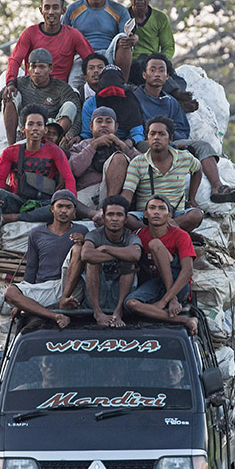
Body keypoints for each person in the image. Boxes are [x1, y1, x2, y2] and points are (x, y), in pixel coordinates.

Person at [135, 56, 235, 203]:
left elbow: (182, 129)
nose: (157, 74)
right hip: (147, 142)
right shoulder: (135, 98)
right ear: (144, 74)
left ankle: (218, 187)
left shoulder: (171, 102)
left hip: (171, 142)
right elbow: (134, 127)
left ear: (167, 76)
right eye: (152, 70)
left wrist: (173, 142)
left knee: (203, 146)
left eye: (161, 71)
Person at [0, 105, 76, 266]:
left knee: (59, 209)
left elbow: (68, 178)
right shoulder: (11, 152)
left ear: (44, 130)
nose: (35, 128)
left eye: (39, 125)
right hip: (19, 200)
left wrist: (72, 202)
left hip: (44, 203)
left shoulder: (55, 151)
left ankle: (13, 218)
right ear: (23, 129)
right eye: (31, 124)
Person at [4, 190, 88, 330]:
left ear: (74, 211)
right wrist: (22, 301)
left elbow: (91, 255)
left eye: (68, 207)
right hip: (46, 287)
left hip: (70, 286)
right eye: (60, 206)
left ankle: (64, 300)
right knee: (10, 292)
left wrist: (85, 241)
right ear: (51, 209)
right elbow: (31, 268)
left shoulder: (82, 230)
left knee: (79, 249)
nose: (64, 211)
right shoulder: (37, 233)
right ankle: (55, 316)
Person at [124, 195, 198, 334]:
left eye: (161, 208)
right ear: (145, 214)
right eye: (152, 208)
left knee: (155, 244)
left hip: (178, 285)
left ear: (169, 215)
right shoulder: (138, 234)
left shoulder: (181, 235)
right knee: (131, 303)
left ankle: (170, 299)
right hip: (156, 283)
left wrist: (166, 300)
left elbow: (187, 271)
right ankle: (184, 320)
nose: (156, 212)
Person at [0, 48, 81, 146]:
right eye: (33, 67)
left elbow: (77, 110)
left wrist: (71, 133)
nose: (36, 71)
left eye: (41, 67)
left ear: (50, 68)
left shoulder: (62, 87)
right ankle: (12, 146)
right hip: (26, 129)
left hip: (50, 130)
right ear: (28, 67)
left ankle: (54, 146)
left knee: (70, 106)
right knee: (10, 94)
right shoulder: (21, 82)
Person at [121, 117, 204, 234]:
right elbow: (127, 192)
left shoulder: (185, 158)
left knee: (196, 215)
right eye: (152, 134)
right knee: (126, 218)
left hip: (175, 215)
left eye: (161, 134)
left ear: (170, 139)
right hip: (147, 216)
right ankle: (173, 232)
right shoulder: (138, 162)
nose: (156, 137)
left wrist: (192, 198)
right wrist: (118, 209)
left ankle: (158, 232)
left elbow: (198, 170)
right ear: (147, 138)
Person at [126, 0, 197, 109]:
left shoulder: (160, 18)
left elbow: (168, 46)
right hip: (131, 63)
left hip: (154, 60)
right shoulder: (123, 15)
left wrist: (162, 62)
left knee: (175, 77)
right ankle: (176, 95)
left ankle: (178, 98)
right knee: (144, 65)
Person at [4, 0, 94, 91]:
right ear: (41, 10)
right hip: (31, 89)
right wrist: (11, 82)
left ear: (63, 10)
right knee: (9, 97)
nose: (51, 12)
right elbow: (15, 59)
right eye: (47, 7)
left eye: (55, 7)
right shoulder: (29, 33)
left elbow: (91, 59)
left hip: (60, 92)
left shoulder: (73, 35)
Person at [63, 0, 137, 83]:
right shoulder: (72, 9)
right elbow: (61, 36)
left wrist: (133, 38)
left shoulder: (119, 10)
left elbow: (128, 35)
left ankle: (122, 84)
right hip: (81, 56)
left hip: (108, 53)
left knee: (123, 37)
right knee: (73, 88)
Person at [81, 195, 141, 328]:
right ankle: (98, 312)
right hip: (98, 290)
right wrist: (120, 254)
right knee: (92, 262)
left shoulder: (131, 236)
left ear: (126, 219)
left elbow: (135, 254)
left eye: (119, 215)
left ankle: (118, 311)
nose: (114, 218)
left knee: (129, 262)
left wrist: (105, 249)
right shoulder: (95, 234)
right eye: (110, 214)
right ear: (103, 218)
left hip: (121, 292)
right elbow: (86, 255)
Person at [69, 107, 138, 208]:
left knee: (119, 158)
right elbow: (75, 170)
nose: (104, 125)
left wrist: (122, 146)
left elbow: (143, 166)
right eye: (99, 121)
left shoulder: (123, 145)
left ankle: (110, 207)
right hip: (88, 194)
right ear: (91, 126)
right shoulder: (81, 146)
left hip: (117, 196)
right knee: (68, 203)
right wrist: (93, 145)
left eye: (108, 121)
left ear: (116, 127)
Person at [80, 65, 146, 148]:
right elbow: (86, 133)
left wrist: (130, 141)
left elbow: (138, 133)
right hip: (94, 143)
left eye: (115, 92)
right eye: (107, 92)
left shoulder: (131, 102)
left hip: (124, 143)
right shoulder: (90, 103)